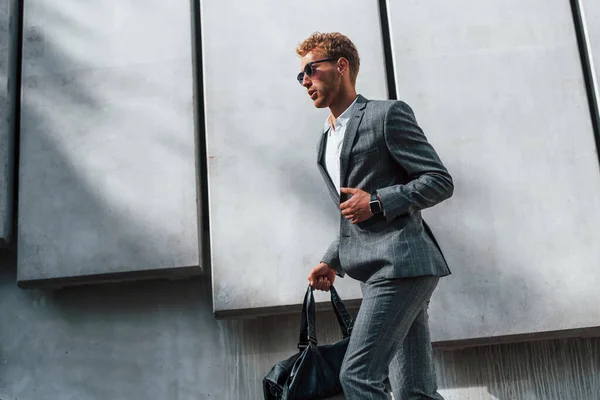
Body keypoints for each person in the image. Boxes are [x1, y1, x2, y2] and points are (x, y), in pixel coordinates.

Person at [296, 32, 453, 400]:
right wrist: (330, 260)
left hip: (401, 263)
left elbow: (438, 181)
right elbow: (353, 212)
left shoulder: (386, 115)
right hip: (377, 271)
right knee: (415, 392)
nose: (304, 81)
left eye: (310, 70)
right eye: (300, 75)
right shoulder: (326, 141)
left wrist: (379, 201)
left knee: (358, 376)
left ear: (341, 66)